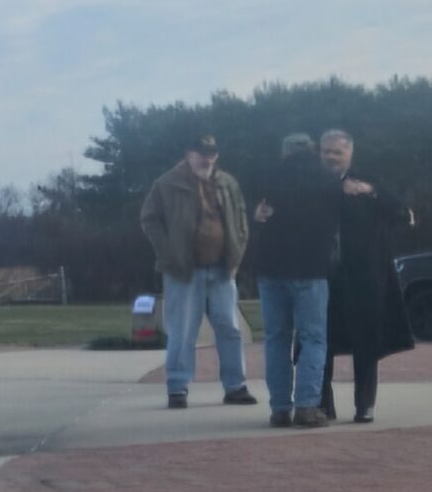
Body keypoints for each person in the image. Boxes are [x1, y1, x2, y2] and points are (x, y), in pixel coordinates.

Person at [138, 133, 254, 410]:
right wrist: (168, 253)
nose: (207, 158)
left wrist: (237, 251)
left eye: (212, 153)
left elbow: (241, 218)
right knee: (182, 332)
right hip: (183, 272)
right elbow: (149, 219)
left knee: (230, 329)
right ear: (188, 154)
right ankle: (177, 388)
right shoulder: (167, 183)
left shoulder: (228, 183)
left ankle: (235, 386)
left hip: (222, 270)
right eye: (201, 153)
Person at [318, 129, 412, 422]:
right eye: (326, 151)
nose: (331, 157)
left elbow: (403, 215)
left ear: (350, 153)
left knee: (367, 341)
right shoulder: (311, 182)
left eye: (337, 152)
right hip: (322, 276)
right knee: (319, 341)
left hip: (363, 277)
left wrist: (370, 193)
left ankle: (365, 405)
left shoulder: (368, 182)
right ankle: (322, 405)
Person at [251, 134, 341, 427]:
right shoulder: (327, 180)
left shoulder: (268, 177)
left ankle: (279, 408)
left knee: (276, 339)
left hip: (270, 269)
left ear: (285, 152)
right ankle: (307, 406)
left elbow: (256, 214)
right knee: (313, 338)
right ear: (313, 150)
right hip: (310, 269)